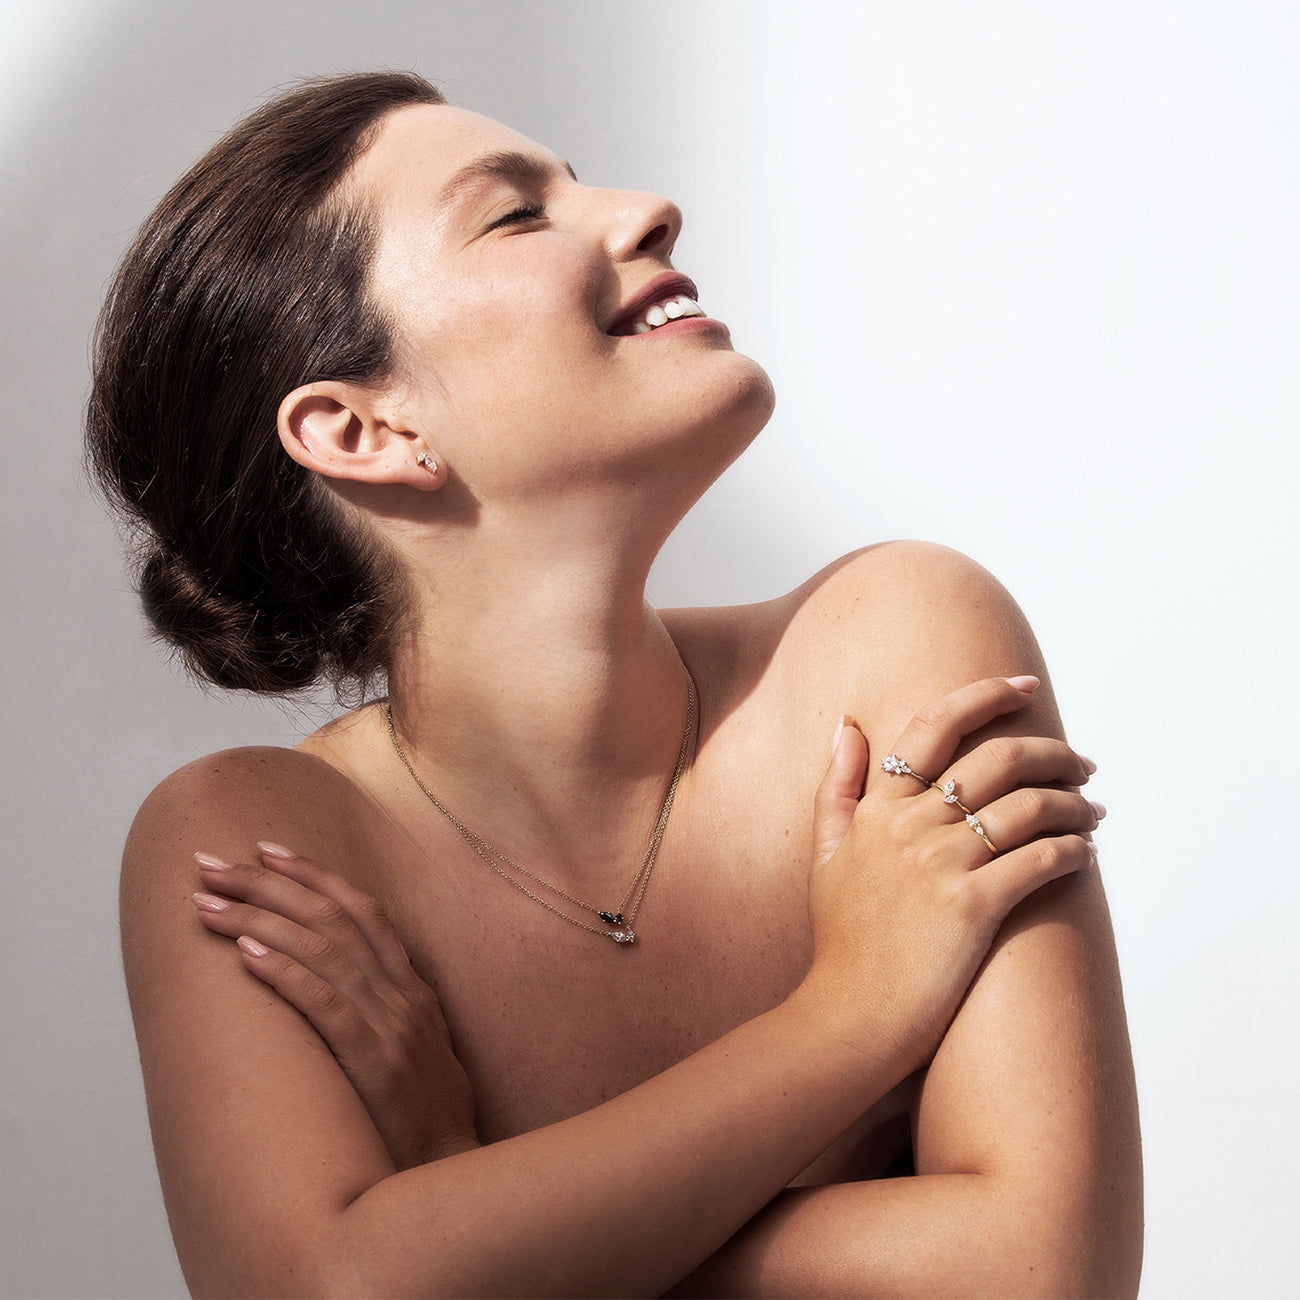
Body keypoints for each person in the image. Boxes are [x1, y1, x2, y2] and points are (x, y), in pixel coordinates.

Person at [88, 72, 1142, 1297]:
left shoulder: (891, 643)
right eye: (516, 214)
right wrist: (851, 1010)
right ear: (363, 431)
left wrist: (468, 1194)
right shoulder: (258, 848)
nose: (650, 211)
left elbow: (1038, 1270)